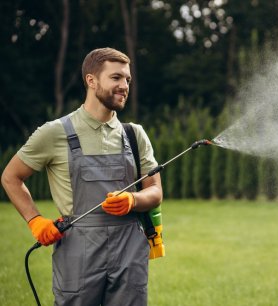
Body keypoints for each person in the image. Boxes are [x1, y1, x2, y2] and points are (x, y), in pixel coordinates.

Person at [1, 47, 163, 305]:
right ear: (91, 80)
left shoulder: (134, 134)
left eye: (127, 80)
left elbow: (155, 191)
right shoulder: (54, 132)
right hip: (78, 249)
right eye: (116, 78)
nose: (124, 86)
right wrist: (35, 221)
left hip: (129, 247)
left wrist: (133, 200)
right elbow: (11, 177)